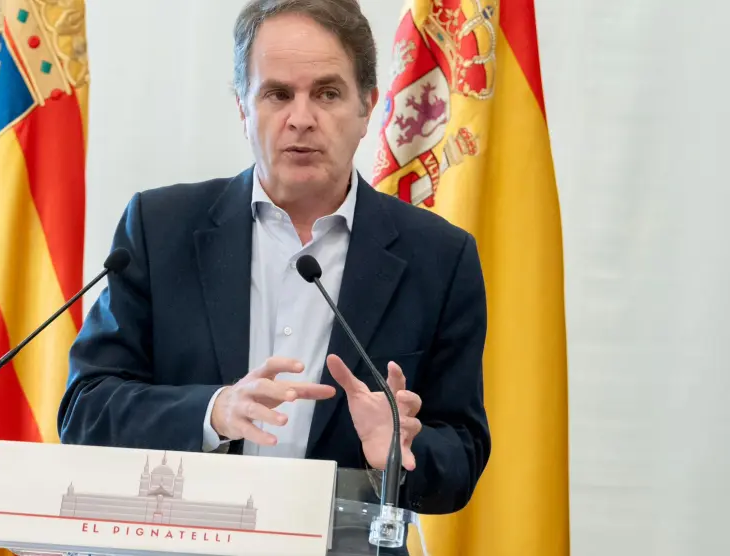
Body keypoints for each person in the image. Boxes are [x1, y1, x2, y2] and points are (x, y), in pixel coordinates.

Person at [57, 0, 490, 514]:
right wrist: (213, 411)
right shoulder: (160, 228)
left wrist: (397, 453)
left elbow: (462, 453)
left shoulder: (439, 258)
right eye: (277, 94)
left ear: (367, 107)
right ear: (244, 109)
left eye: (327, 93)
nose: (301, 119)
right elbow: (85, 410)